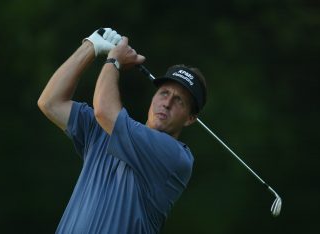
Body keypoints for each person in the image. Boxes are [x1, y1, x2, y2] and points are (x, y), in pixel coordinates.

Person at [38, 27, 207, 234]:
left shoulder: (176, 157)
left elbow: (104, 111)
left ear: (190, 119)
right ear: (153, 97)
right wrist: (90, 46)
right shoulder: (104, 131)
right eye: (164, 93)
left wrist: (113, 61)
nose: (167, 103)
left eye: (179, 100)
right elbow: (50, 102)